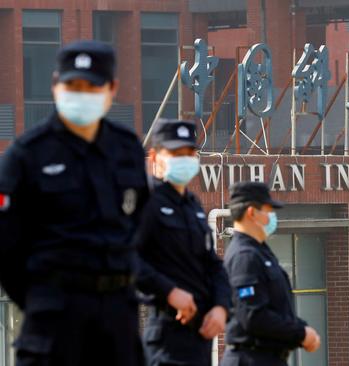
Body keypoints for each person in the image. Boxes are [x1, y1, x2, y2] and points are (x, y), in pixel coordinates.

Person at [0, 40, 147, 366]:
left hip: (118, 317)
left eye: (91, 86)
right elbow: (6, 246)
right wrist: (41, 298)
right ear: (55, 85)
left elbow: (138, 222)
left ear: (112, 88)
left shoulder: (127, 149)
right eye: (72, 85)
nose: (80, 94)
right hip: (55, 318)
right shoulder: (27, 155)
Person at [134, 118, 230, 366]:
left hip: (200, 337)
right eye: (176, 152)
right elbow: (128, 259)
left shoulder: (194, 206)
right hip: (167, 335)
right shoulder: (147, 202)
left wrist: (221, 307)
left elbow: (213, 265)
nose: (185, 158)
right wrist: (169, 291)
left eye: (190, 152)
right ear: (154, 157)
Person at [221, 182, 321, 366]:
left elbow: (277, 308)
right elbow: (252, 316)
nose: (272, 217)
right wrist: (300, 333)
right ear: (251, 213)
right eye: (268, 211)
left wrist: (303, 328)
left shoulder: (260, 252)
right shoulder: (245, 256)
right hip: (251, 358)